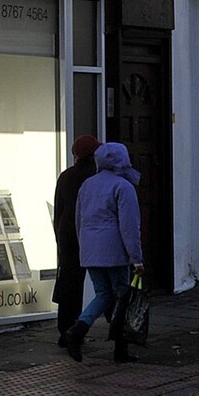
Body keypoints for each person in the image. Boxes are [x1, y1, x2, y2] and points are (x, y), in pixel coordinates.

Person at [59, 140, 143, 364]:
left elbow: (79, 219)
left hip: (90, 251)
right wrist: (136, 258)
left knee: (103, 295)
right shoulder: (123, 186)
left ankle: (78, 330)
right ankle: (120, 348)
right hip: (115, 251)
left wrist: (84, 248)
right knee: (121, 297)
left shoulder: (88, 185)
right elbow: (129, 225)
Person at [51, 134, 100, 342]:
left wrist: (58, 239)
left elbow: (59, 210)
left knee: (70, 282)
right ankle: (117, 329)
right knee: (106, 284)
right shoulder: (96, 176)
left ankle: (66, 329)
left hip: (67, 232)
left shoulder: (66, 176)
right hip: (91, 232)